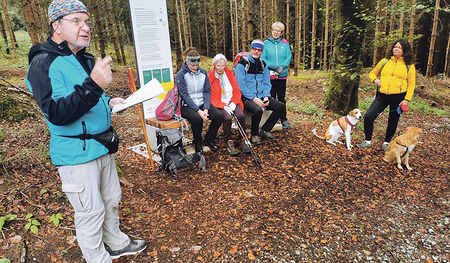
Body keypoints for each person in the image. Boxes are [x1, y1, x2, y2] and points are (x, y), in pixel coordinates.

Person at [25, 0, 147, 262]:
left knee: (111, 199)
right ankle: (97, 258)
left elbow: (90, 97)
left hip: (101, 145)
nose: (85, 28)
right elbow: (56, 113)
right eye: (76, 21)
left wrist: (109, 101)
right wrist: (94, 85)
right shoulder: (43, 62)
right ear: (56, 26)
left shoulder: (85, 58)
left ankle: (115, 242)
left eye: (87, 21)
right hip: (75, 154)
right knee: (90, 212)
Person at [356, 39, 416, 151]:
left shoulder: (409, 65)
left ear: (405, 50)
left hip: (398, 97)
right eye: (395, 47)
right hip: (382, 96)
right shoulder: (385, 61)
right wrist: (375, 80)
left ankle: (386, 143)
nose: (396, 49)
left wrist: (407, 100)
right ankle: (367, 141)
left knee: (393, 121)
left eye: (399, 47)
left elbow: (412, 84)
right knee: (369, 117)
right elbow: (372, 73)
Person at [235, 39, 286, 145]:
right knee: (258, 110)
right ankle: (254, 134)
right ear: (251, 49)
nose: (256, 51)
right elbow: (241, 86)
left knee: (281, 106)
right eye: (254, 49)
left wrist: (267, 96)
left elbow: (267, 83)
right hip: (247, 97)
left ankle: (265, 130)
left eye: (259, 50)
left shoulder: (263, 64)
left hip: (262, 95)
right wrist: (254, 98)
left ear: (262, 51)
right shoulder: (242, 64)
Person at [176, 47, 223, 153]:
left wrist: (206, 108)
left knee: (218, 116)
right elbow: (184, 95)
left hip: (202, 102)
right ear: (187, 62)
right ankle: (197, 141)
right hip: (186, 105)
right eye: (192, 65)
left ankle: (209, 139)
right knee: (197, 119)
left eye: (197, 65)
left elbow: (207, 91)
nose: (195, 67)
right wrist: (198, 110)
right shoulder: (181, 74)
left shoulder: (203, 73)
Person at [208, 54, 251, 156]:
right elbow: (210, 95)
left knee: (240, 115)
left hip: (232, 101)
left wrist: (233, 102)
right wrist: (223, 106)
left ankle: (243, 139)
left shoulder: (230, 74)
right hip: (220, 103)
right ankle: (229, 141)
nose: (221, 68)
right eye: (218, 65)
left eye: (223, 65)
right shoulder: (210, 76)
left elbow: (236, 89)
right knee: (227, 118)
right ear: (214, 65)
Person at [261, 21, 292, 129]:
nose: (276, 32)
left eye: (278, 31)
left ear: (282, 33)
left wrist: (282, 67)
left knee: (281, 98)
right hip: (270, 75)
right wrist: (274, 67)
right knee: (271, 97)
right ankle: (271, 120)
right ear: (271, 30)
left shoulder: (285, 43)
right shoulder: (266, 43)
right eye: (274, 30)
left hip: (282, 75)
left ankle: (284, 119)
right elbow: (263, 58)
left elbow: (288, 56)